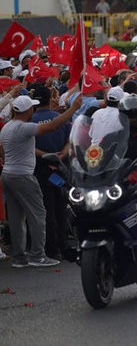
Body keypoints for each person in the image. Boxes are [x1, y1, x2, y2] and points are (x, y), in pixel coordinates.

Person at [0, 93, 82, 268]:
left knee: (16, 218)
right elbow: (53, 126)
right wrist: (73, 109)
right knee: (38, 214)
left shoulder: (6, 127)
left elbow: (2, 150)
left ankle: (19, 257)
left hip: (7, 174)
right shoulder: (24, 127)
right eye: (32, 107)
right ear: (27, 110)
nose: (34, 109)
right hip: (24, 176)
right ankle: (38, 255)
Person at [31, 85, 71, 259]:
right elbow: (71, 140)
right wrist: (62, 154)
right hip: (60, 169)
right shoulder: (60, 119)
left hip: (41, 169)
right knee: (61, 206)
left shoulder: (29, 121)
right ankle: (63, 245)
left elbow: (29, 146)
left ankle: (52, 248)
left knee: (46, 208)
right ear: (50, 100)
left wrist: (47, 156)